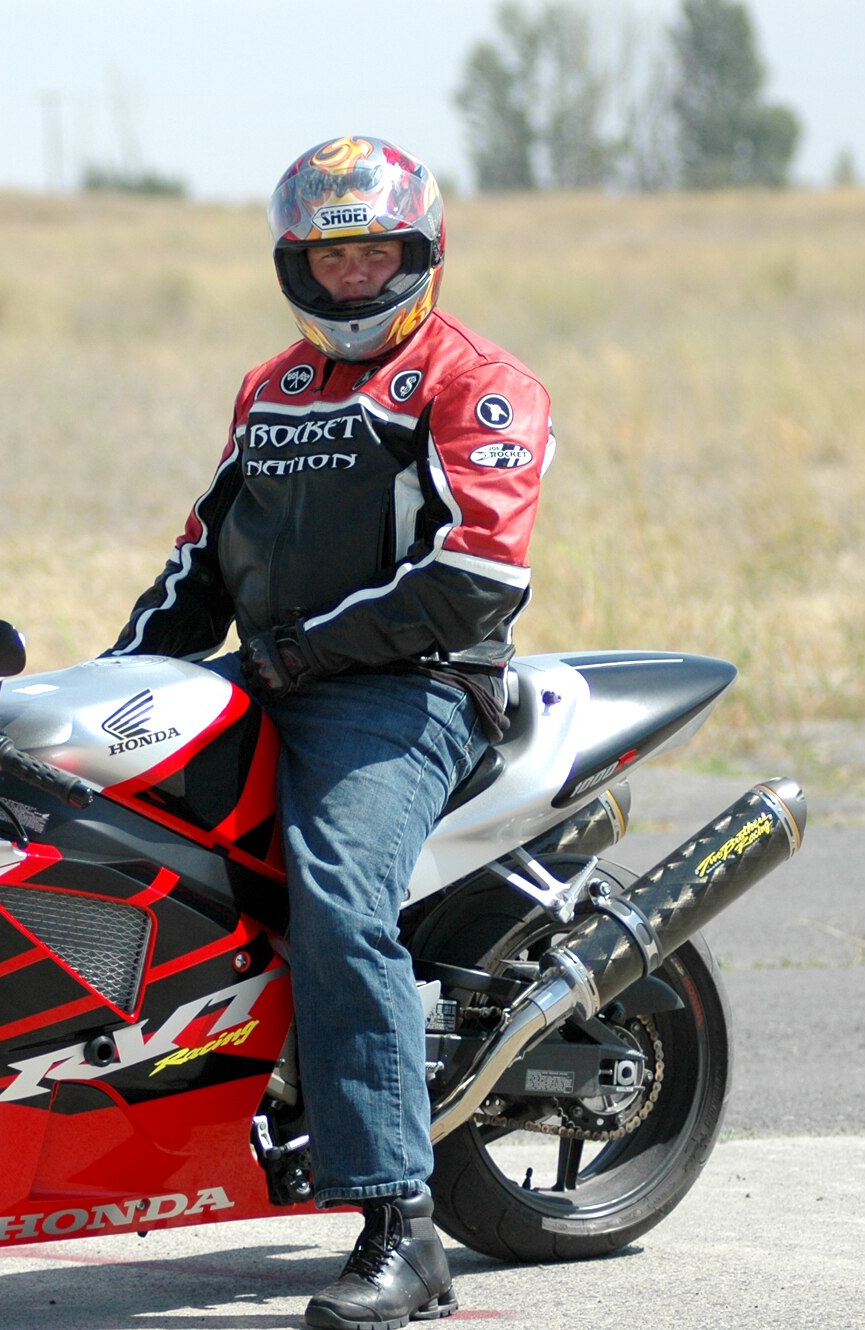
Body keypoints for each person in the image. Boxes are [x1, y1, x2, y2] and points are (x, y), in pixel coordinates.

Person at [106, 135, 553, 1330]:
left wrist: (300, 654)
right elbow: (201, 562)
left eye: (372, 256)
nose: (351, 277)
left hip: (411, 690)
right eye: (327, 258)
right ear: (293, 266)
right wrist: (103, 693)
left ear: (422, 254)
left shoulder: (475, 381)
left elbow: (474, 577)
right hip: (272, 675)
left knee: (337, 895)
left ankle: (402, 1228)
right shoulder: (271, 388)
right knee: (113, 830)